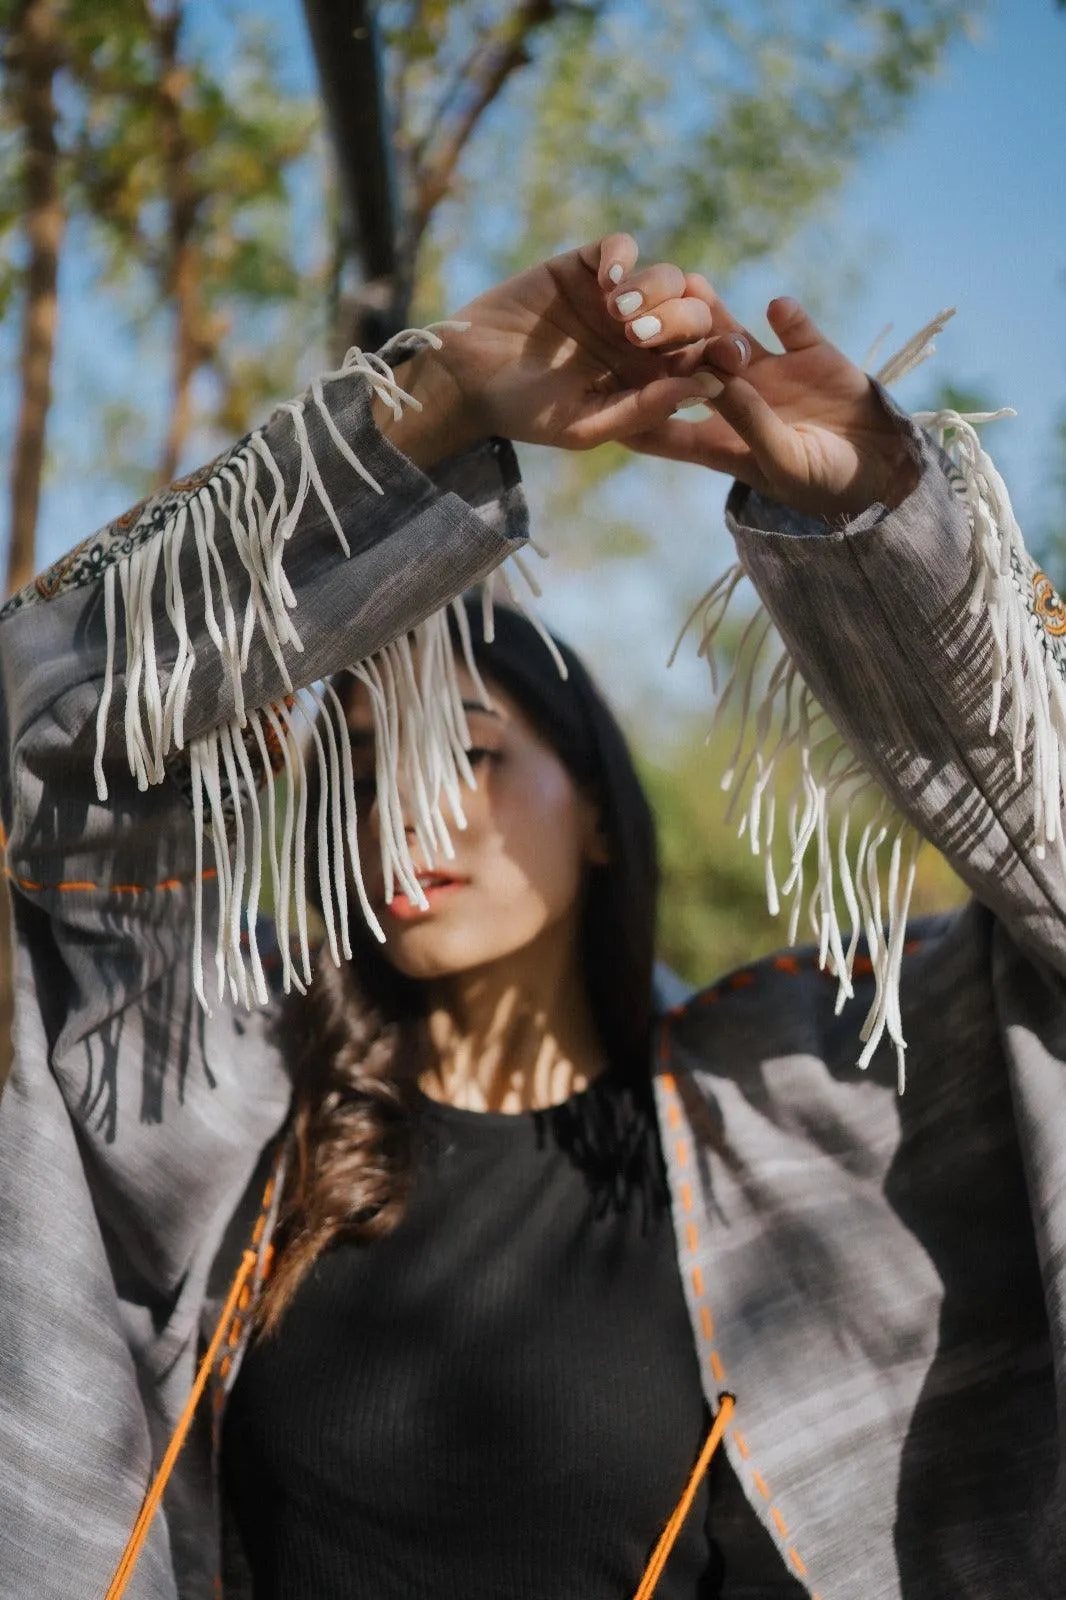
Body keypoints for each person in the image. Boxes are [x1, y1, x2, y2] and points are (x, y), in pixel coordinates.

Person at [0, 230, 1063, 1600]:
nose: (403, 816)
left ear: (603, 804)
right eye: (361, 778)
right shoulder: (218, 1092)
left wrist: (887, 529)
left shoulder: (825, 1088)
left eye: (473, 758)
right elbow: (33, 724)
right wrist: (428, 405)